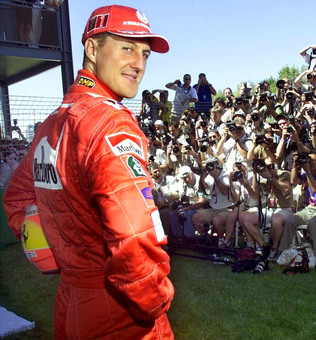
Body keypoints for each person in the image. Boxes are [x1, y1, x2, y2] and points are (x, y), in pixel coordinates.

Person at [3, 5, 174, 339]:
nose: (138, 64)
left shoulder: (54, 121)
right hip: (119, 310)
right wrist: (156, 300)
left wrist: (57, 249)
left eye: (144, 54)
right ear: (92, 49)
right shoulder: (110, 121)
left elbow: (17, 197)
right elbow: (133, 237)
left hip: (71, 302)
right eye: (127, 48)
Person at [278, 150, 316, 268]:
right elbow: (293, 181)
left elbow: (314, 188)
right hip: (309, 208)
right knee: (291, 220)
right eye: (309, 160)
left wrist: (307, 170)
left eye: (314, 160)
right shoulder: (307, 174)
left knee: (314, 222)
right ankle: (282, 251)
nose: (312, 163)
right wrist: (294, 165)